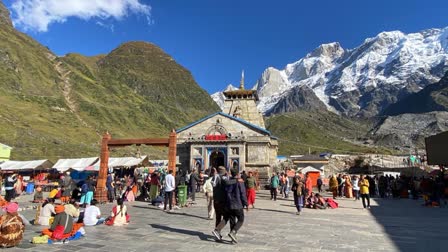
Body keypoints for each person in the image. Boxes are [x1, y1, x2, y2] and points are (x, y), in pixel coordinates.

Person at [212, 168, 247, 244]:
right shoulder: (239, 182)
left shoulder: (227, 181)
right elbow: (243, 194)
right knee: (241, 218)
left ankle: (223, 232)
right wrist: (246, 204)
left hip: (228, 203)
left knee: (230, 219)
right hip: (237, 204)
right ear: (238, 174)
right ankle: (233, 232)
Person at [213, 166, 228, 231]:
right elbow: (228, 183)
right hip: (221, 201)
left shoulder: (214, 177)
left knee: (218, 217)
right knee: (226, 216)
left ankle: (217, 231)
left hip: (215, 200)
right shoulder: (223, 178)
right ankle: (217, 230)